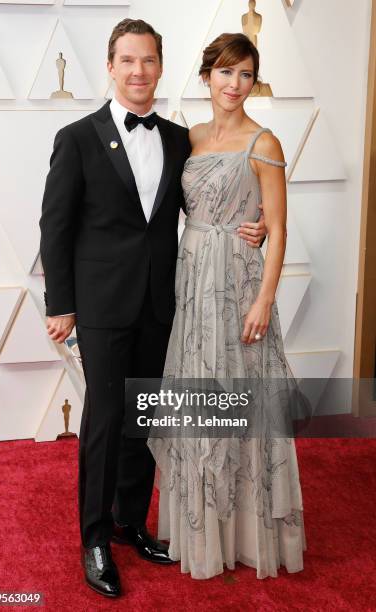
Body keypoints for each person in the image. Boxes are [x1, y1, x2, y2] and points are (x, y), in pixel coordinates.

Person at [39, 20, 267, 598]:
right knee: (104, 420)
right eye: (128, 61)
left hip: (166, 304)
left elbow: (211, 201)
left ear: (160, 69)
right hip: (101, 305)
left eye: (148, 61)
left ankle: (128, 522)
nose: (139, 71)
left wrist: (256, 228)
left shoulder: (176, 138)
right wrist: (61, 303)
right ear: (111, 67)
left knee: (144, 421)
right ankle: (93, 538)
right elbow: (56, 227)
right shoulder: (78, 138)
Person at [147, 33, 307, 580]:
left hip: (238, 283)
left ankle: (244, 531)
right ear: (207, 76)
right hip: (191, 281)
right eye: (224, 73)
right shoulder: (188, 138)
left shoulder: (265, 143)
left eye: (244, 74)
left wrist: (266, 298)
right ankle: (201, 530)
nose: (233, 84)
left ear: (253, 82)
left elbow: (279, 229)